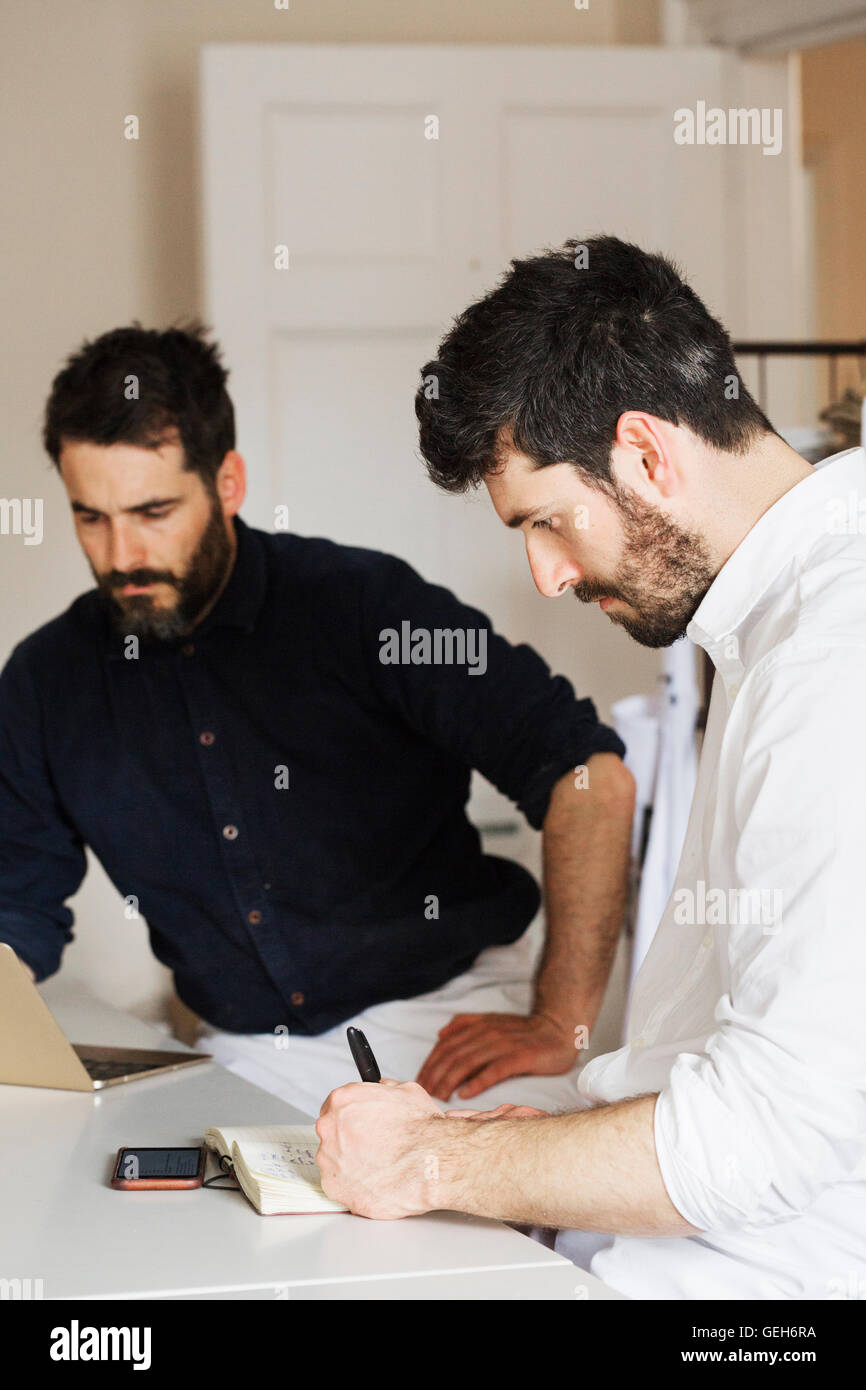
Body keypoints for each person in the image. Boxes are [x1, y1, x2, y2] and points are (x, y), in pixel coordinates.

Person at [314, 235, 866, 1300]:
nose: (548, 573)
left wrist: (434, 1158)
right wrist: (529, 1141)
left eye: (548, 521)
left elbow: (775, 1131)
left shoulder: (830, 657)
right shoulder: (779, 610)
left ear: (646, 454)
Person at [0, 323, 635, 1119]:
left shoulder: (364, 606)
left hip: (453, 1025)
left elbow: (587, 773)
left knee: (495, 1239)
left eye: (153, 511)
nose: (122, 552)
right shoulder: (43, 682)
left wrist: (558, 1019)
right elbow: (15, 907)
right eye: (90, 517)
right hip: (248, 1053)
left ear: (226, 482)